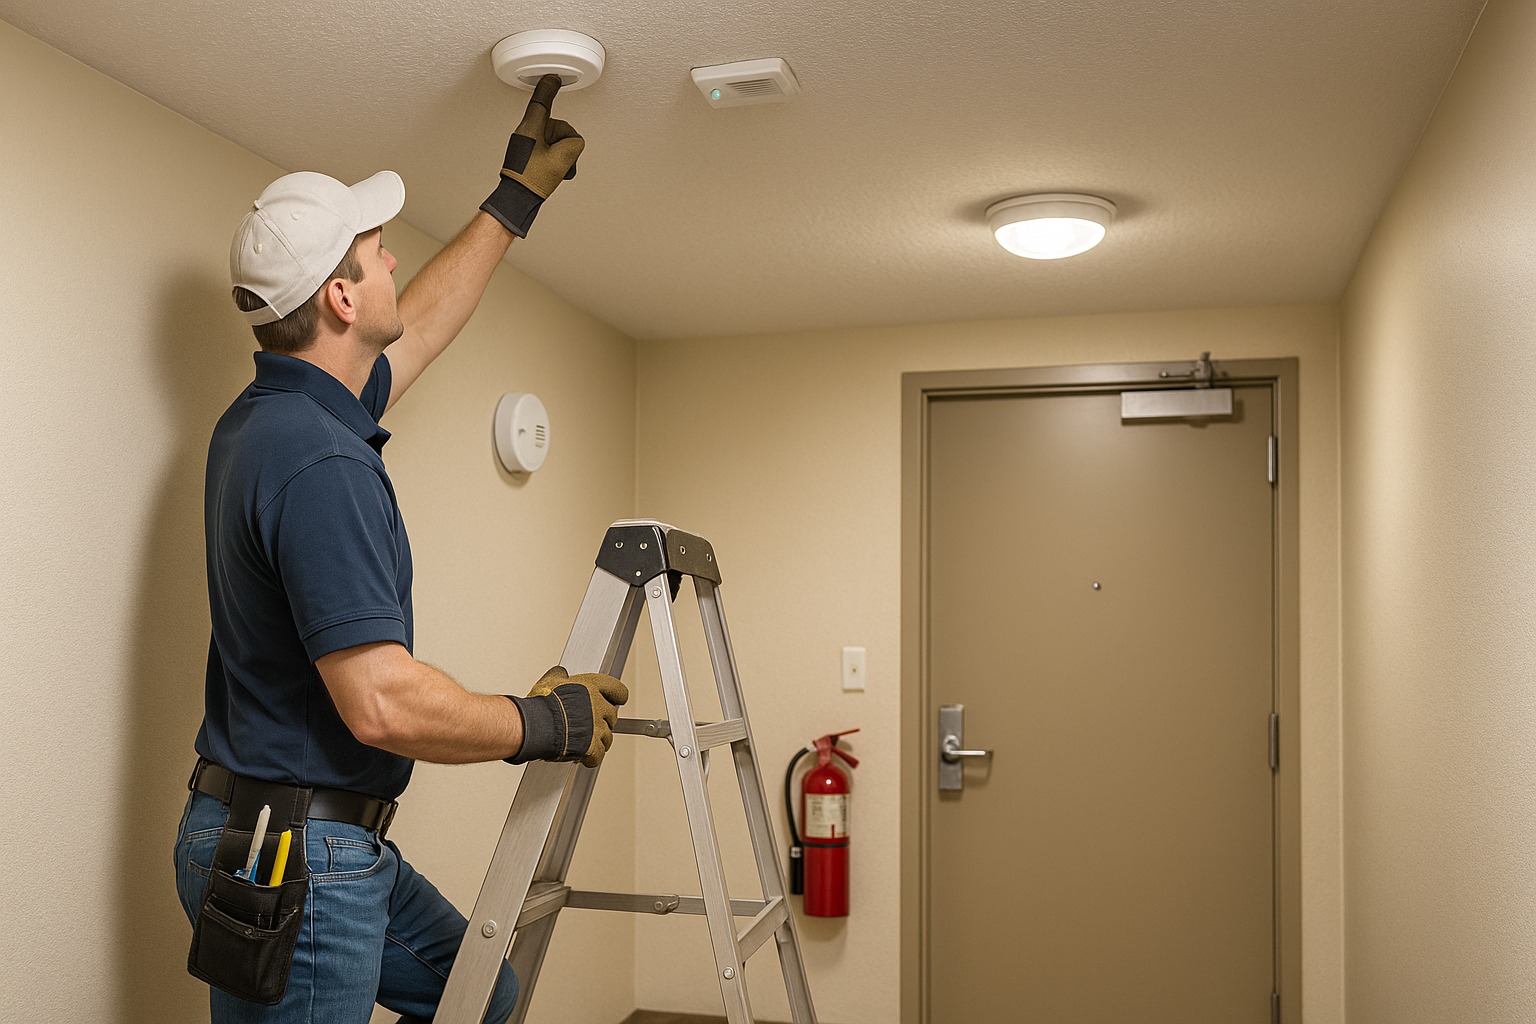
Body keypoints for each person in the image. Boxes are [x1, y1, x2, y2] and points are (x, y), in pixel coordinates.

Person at [171, 75, 628, 1023]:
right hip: (294, 852)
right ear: (340, 296)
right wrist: (547, 724)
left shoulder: (275, 417)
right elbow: (377, 701)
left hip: (290, 833)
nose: (391, 264)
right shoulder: (317, 462)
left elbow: (412, 334)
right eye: (377, 253)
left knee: (479, 997)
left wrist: (515, 200)